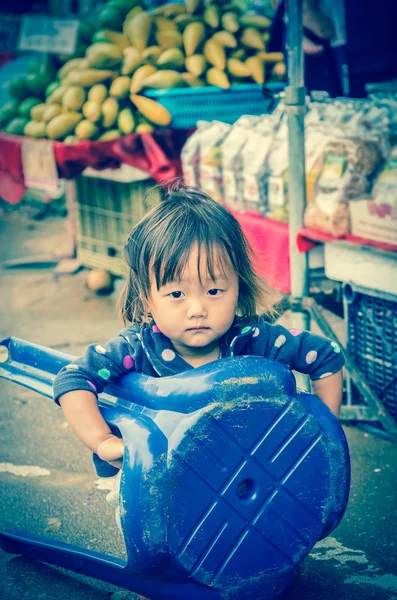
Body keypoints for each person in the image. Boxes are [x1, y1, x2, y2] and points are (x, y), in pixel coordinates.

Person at [53, 183, 344, 509]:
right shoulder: (136, 350)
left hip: (247, 483)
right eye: (177, 294)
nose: (197, 309)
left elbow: (326, 356)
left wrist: (321, 434)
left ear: (239, 287)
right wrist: (102, 441)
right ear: (146, 298)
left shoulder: (252, 339)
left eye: (214, 291)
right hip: (158, 489)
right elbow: (73, 379)